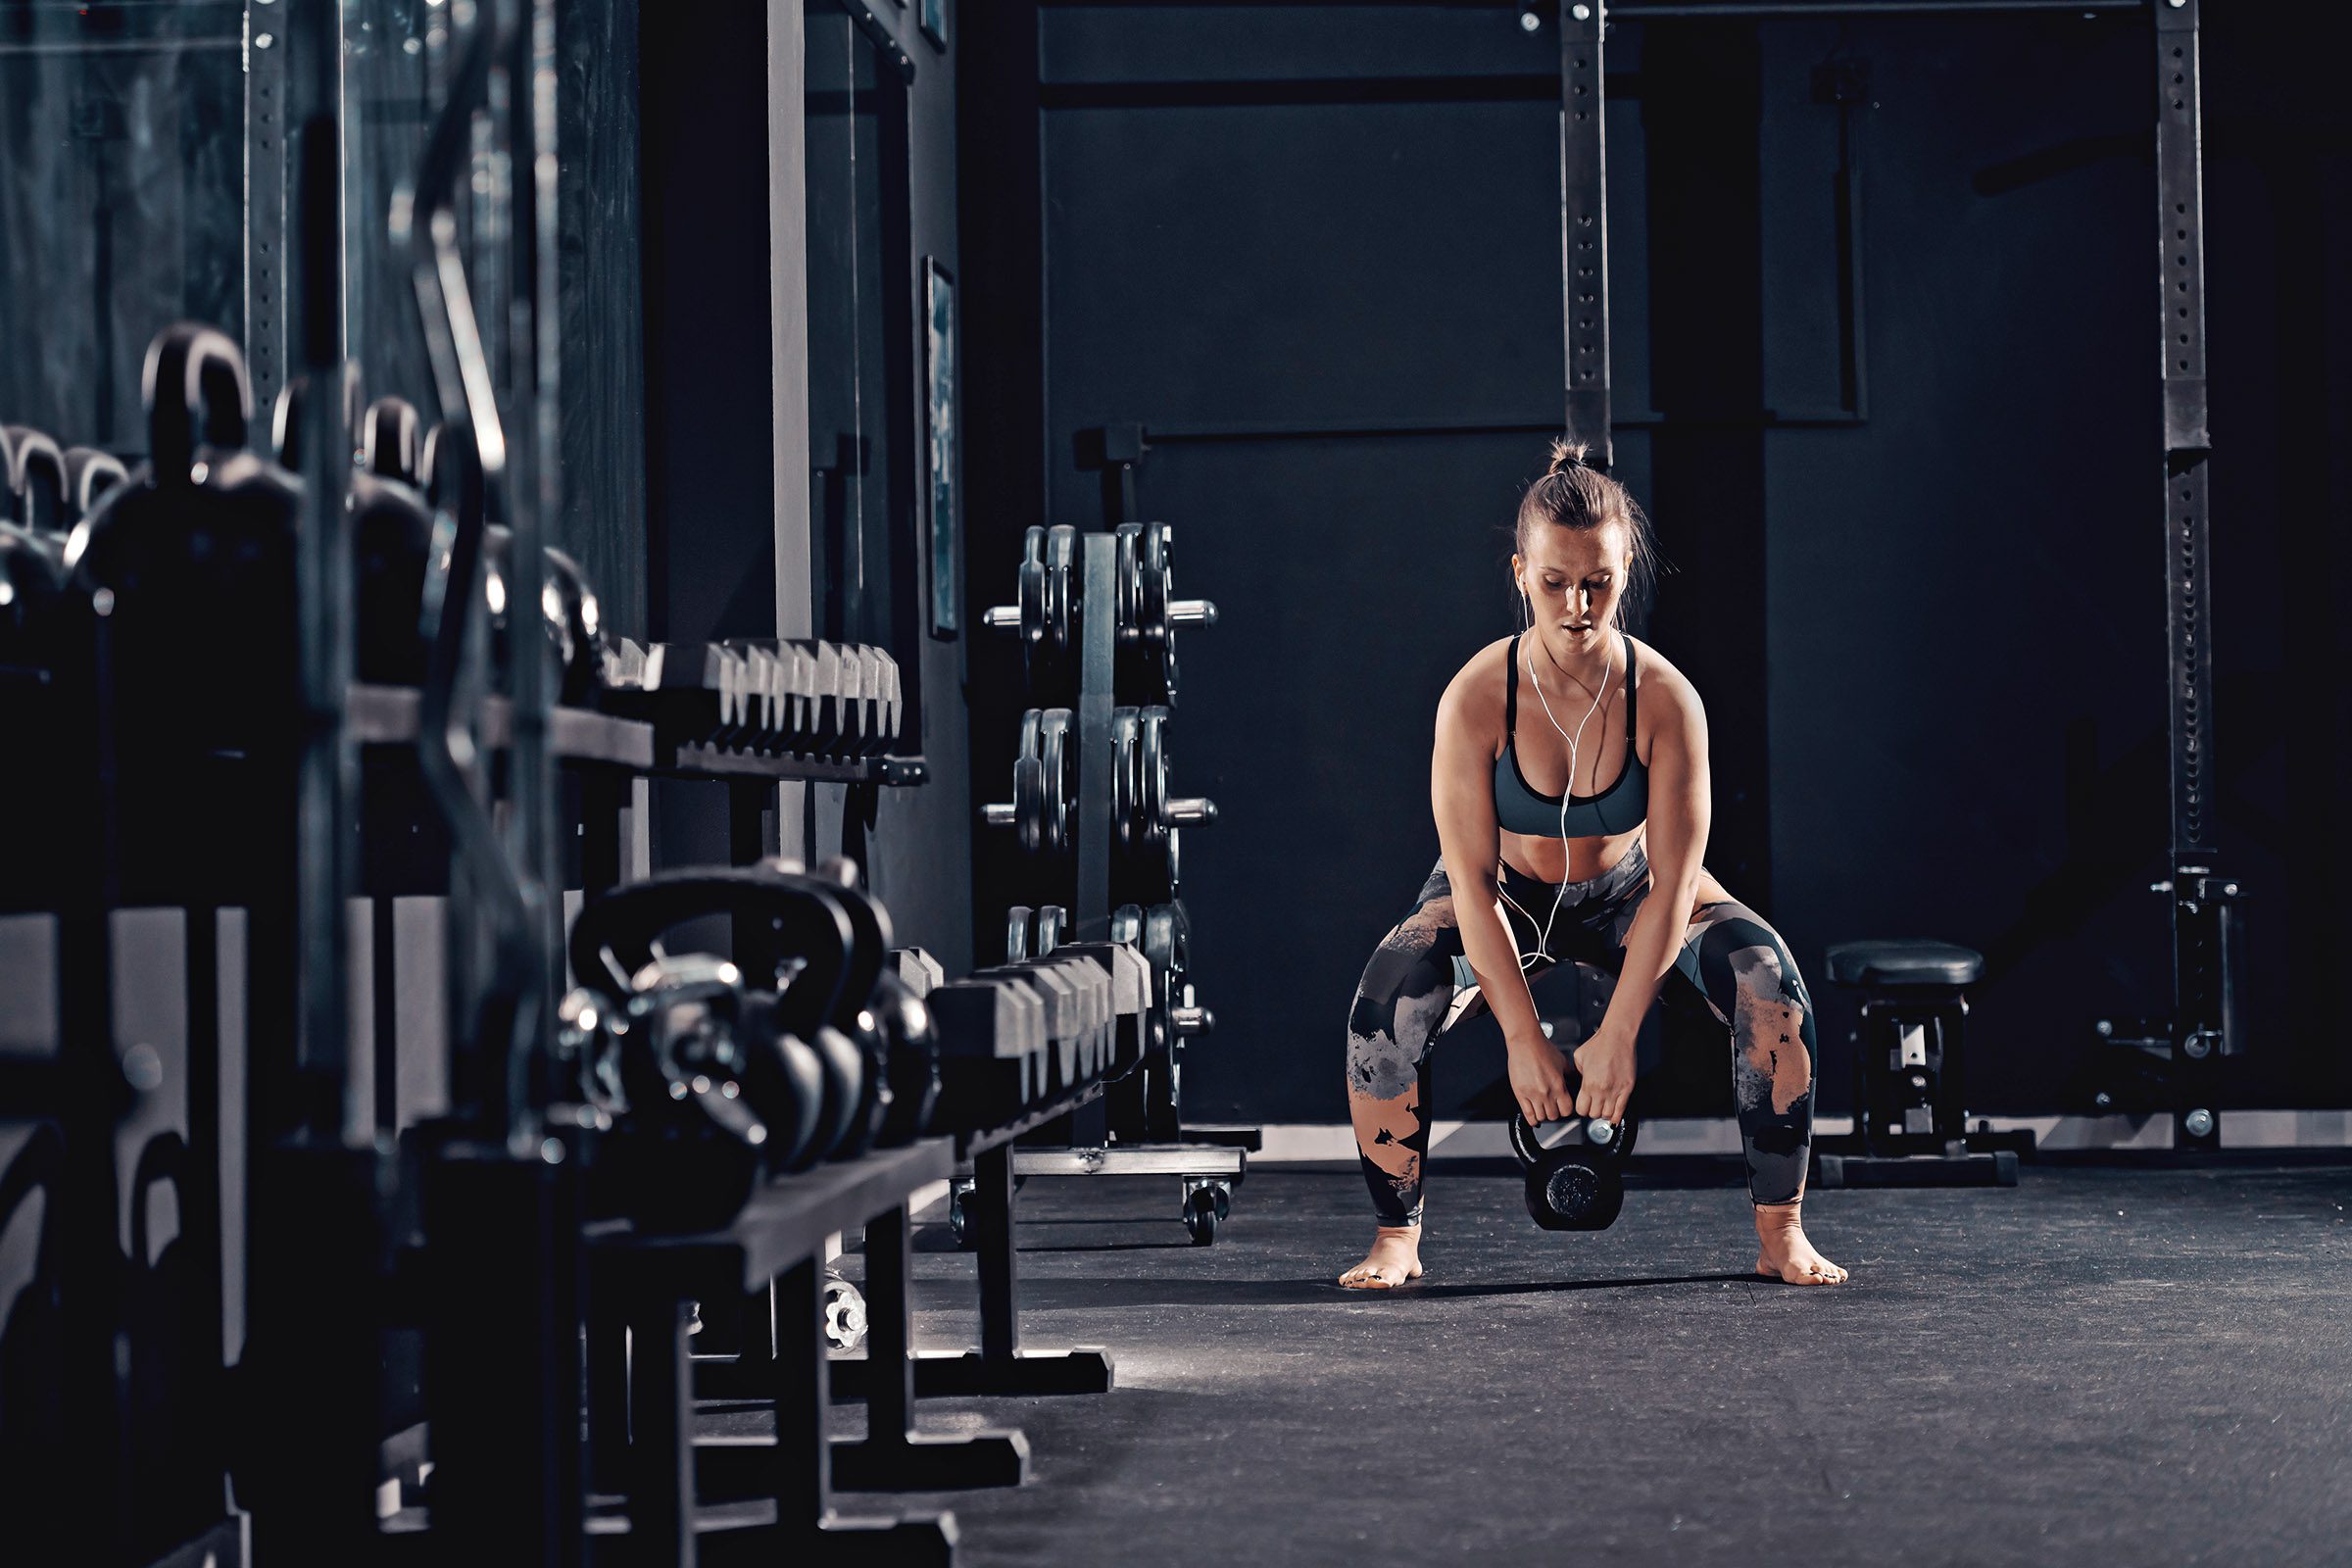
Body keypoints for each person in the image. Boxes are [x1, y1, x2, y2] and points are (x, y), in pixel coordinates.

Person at [1339, 441, 1845, 1290]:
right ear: (1519, 573)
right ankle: (1397, 1236)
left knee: (1769, 980)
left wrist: (1618, 1037)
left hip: (1632, 892)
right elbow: (1469, 884)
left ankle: (1781, 1230)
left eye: (1599, 583)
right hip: (1505, 894)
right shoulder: (1476, 695)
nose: (1577, 605)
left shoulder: (1666, 699)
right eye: (1554, 582)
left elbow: (1678, 881)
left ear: (1627, 568)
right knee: (1385, 1001)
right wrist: (1522, 1037)